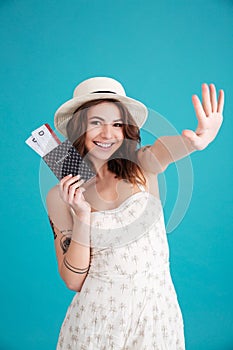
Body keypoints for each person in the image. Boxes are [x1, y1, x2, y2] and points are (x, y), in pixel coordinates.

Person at [46, 77, 224, 350]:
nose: (108, 134)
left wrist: (196, 142)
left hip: (156, 316)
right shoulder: (61, 197)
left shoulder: (142, 165)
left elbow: (165, 149)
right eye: (96, 123)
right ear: (78, 128)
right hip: (97, 322)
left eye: (117, 124)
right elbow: (73, 280)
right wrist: (82, 215)